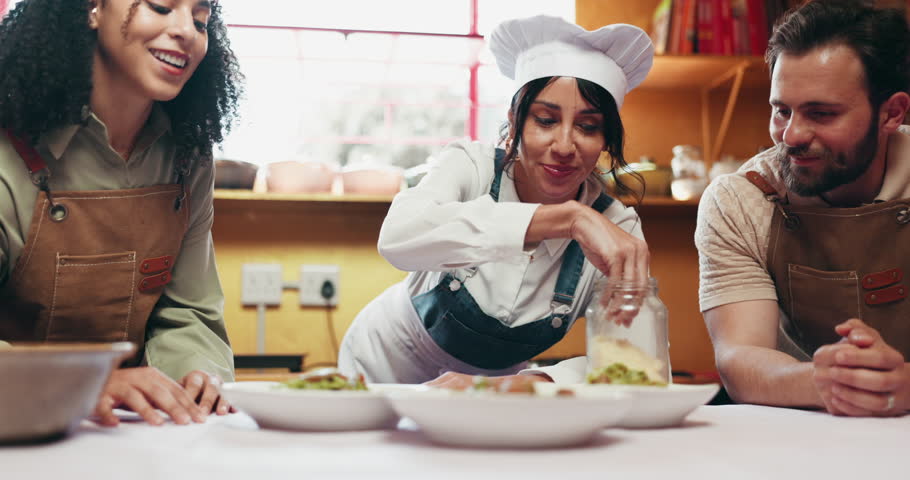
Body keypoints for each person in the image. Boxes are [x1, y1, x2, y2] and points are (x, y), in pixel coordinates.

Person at [338, 15, 654, 388]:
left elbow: (635, 358)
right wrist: (567, 219)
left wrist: (532, 382)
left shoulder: (617, 227)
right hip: (384, 370)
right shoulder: (470, 167)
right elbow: (397, 239)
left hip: (495, 392)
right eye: (546, 120)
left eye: (588, 126)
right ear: (515, 121)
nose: (565, 146)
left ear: (605, 139)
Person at [0, 0, 243, 425]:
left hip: (127, 433)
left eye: (201, 19)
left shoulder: (189, 157)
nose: (186, 30)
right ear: (92, 8)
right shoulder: (9, 147)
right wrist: (79, 384)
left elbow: (188, 312)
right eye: (161, 6)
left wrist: (197, 376)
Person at [696, 0, 910, 416]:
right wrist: (824, 380)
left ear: (892, 113)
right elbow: (739, 358)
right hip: (798, 433)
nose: (790, 135)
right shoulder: (739, 200)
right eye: (782, 110)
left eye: (821, 113)